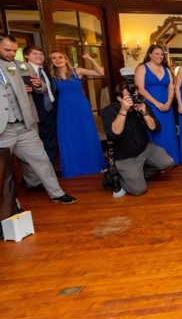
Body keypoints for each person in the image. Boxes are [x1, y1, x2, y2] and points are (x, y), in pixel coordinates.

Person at [0, 35, 75, 204]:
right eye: (7, 50)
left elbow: (43, 88)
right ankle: (10, 206)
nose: (12, 53)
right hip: (3, 129)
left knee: (41, 160)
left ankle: (57, 193)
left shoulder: (23, 66)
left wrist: (38, 85)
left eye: (14, 50)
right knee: (3, 170)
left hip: (25, 124)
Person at [102, 82, 175, 196]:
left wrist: (145, 113)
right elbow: (114, 133)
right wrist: (124, 110)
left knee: (168, 162)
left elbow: (156, 129)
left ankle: (138, 175)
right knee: (139, 190)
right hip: (125, 157)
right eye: (129, 97)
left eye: (134, 95)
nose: (133, 99)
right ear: (119, 98)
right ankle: (113, 177)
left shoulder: (142, 106)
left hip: (145, 149)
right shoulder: (109, 110)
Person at [50, 50, 106, 178]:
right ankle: (74, 165)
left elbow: (100, 73)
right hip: (64, 108)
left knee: (86, 132)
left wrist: (91, 59)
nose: (57, 59)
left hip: (81, 106)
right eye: (54, 58)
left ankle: (91, 163)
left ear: (65, 59)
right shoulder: (51, 76)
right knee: (70, 135)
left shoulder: (77, 71)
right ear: (51, 61)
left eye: (60, 56)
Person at [21, 45, 61, 187]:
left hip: (50, 110)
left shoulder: (44, 70)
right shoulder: (22, 70)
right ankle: (34, 179)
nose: (39, 56)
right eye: (35, 54)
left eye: (41, 54)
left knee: (49, 143)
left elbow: (52, 90)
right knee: (34, 148)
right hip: (34, 113)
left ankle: (49, 172)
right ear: (26, 56)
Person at [135, 45, 180, 165]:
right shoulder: (142, 67)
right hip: (150, 104)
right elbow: (140, 89)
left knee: (167, 130)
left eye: (161, 54)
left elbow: (171, 88)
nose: (160, 56)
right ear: (150, 54)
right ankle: (156, 163)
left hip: (166, 105)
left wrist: (169, 102)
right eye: (157, 53)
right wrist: (156, 103)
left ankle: (170, 159)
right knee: (153, 129)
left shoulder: (166, 69)